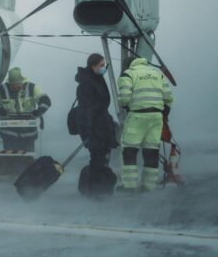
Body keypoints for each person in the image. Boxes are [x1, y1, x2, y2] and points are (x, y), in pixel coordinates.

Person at [117, 56, 174, 192]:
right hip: (156, 118)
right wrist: (163, 114)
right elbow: (169, 98)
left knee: (130, 151)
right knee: (151, 152)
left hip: (137, 117)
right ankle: (149, 186)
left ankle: (129, 186)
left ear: (128, 65)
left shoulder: (128, 74)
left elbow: (124, 99)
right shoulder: (157, 74)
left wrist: (126, 105)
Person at [74, 53, 119, 197]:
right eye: (101, 65)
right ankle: (95, 191)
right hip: (95, 129)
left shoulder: (97, 80)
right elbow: (86, 110)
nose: (103, 68)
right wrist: (88, 133)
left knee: (101, 158)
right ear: (93, 65)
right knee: (97, 158)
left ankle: (97, 189)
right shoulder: (88, 83)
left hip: (102, 127)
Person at [0, 67, 51, 151]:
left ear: (22, 81)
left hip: (28, 133)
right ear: (9, 83)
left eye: (18, 85)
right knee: (10, 158)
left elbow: (46, 101)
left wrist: (39, 111)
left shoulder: (32, 88)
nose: (15, 88)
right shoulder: (0, 90)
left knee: (29, 157)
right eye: (12, 86)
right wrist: (0, 110)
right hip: (9, 134)